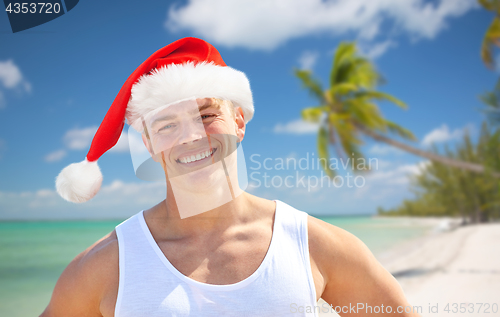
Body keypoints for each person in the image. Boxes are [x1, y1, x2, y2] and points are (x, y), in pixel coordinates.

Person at [40, 37, 421, 317]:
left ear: (238, 121)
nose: (191, 136)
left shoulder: (314, 244)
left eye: (207, 116)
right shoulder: (106, 264)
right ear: (150, 143)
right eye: (167, 124)